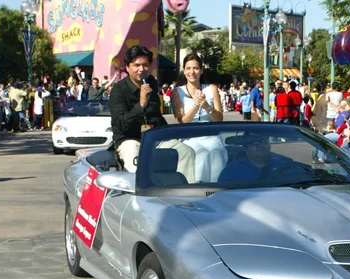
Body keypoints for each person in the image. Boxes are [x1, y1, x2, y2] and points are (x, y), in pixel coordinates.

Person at [109, 45, 167, 173]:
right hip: (129, 139)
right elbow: (122, 124)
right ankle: (137, 192)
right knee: (135, 160)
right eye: (136, 65)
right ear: (128, 67)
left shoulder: (151, 82)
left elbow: (156, 115)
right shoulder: (118, 90)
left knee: (184, 152)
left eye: (145, 65)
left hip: (153, 137)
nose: (141, 69)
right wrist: (140, 104)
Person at [170, 53, 226, 182]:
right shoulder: (177, 92)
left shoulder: (212, 89)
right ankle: (198, 186)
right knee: (201, 152)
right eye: (188, 68)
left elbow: (219, 119)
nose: (192, 72)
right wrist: (196, 105)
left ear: (201, 70)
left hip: (211, 135)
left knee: (215, 151)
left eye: (195, 68)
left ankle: (218, 187)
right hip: (189, 135)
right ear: (184, 71)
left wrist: (206, 106)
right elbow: (182, 121)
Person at [218, 134, 287, 182]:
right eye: (255, 142)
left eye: (265, 141)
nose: (261, 145)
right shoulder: (230, 172)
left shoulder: (284, 167)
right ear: (246, 146)